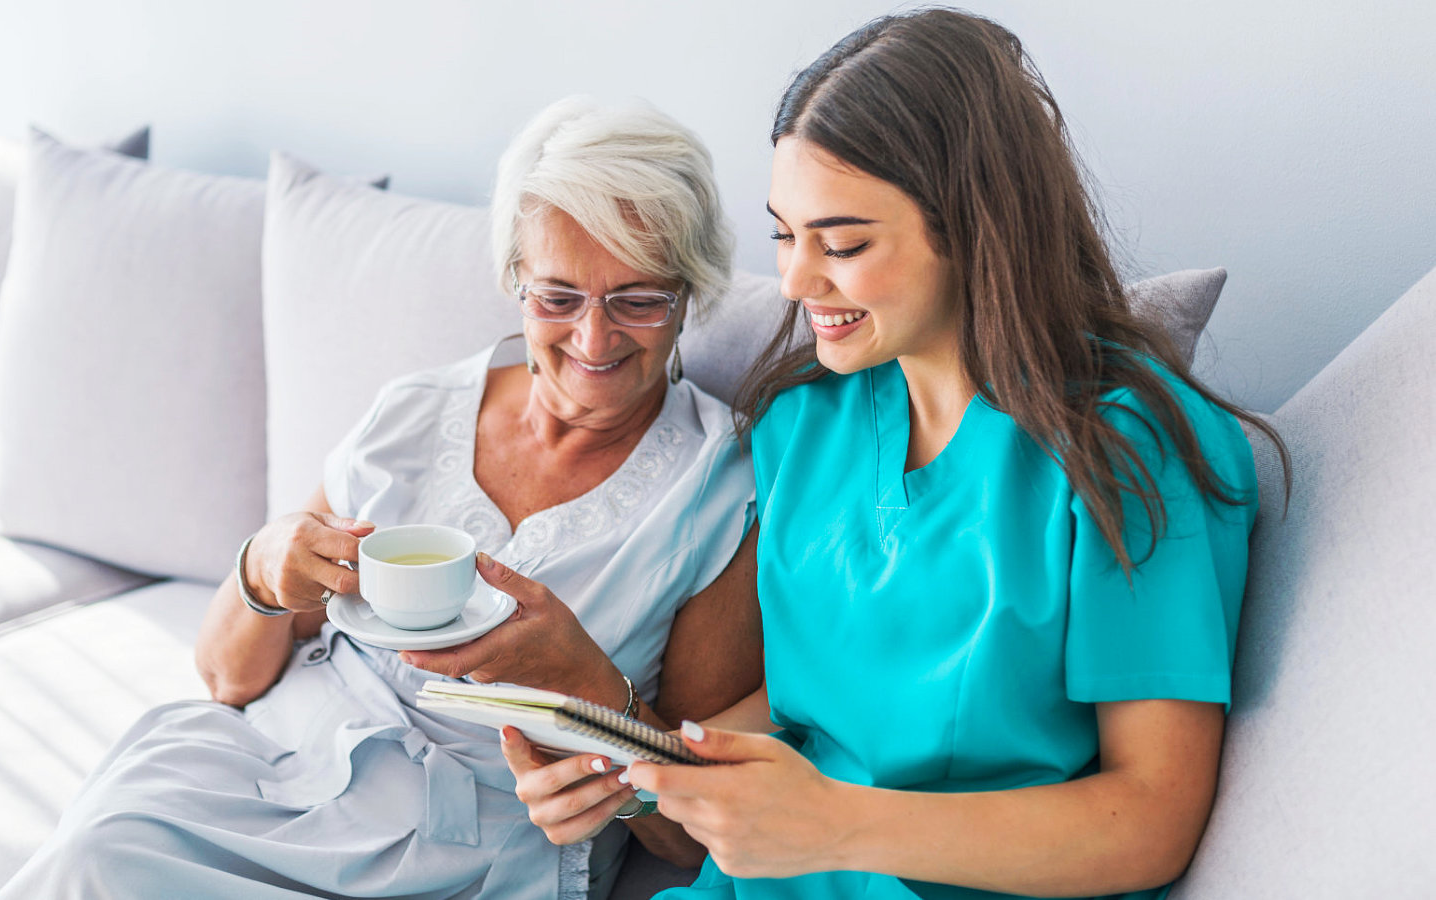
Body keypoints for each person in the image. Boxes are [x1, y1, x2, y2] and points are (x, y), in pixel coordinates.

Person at [503, 9, 1289, 900]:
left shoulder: (1126, 447)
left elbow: (1150, 820)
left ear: (973, 225)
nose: (797, 282)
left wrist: (835, 821)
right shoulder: (804, 421)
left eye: (841, 244)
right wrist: (632, 776)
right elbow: (810, 710)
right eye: (784, 235)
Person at [0, 97, 762, 900]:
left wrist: (590, 687)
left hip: (469, 843)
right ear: (514, 280)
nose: (593, 340)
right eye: (557, 297)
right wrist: (263, 570)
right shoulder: (413, 412)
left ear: (691, 291)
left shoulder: (719, 488)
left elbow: (685, 839)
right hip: (275, 766)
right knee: (101, 851)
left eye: (639, 300)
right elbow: (225, 680)